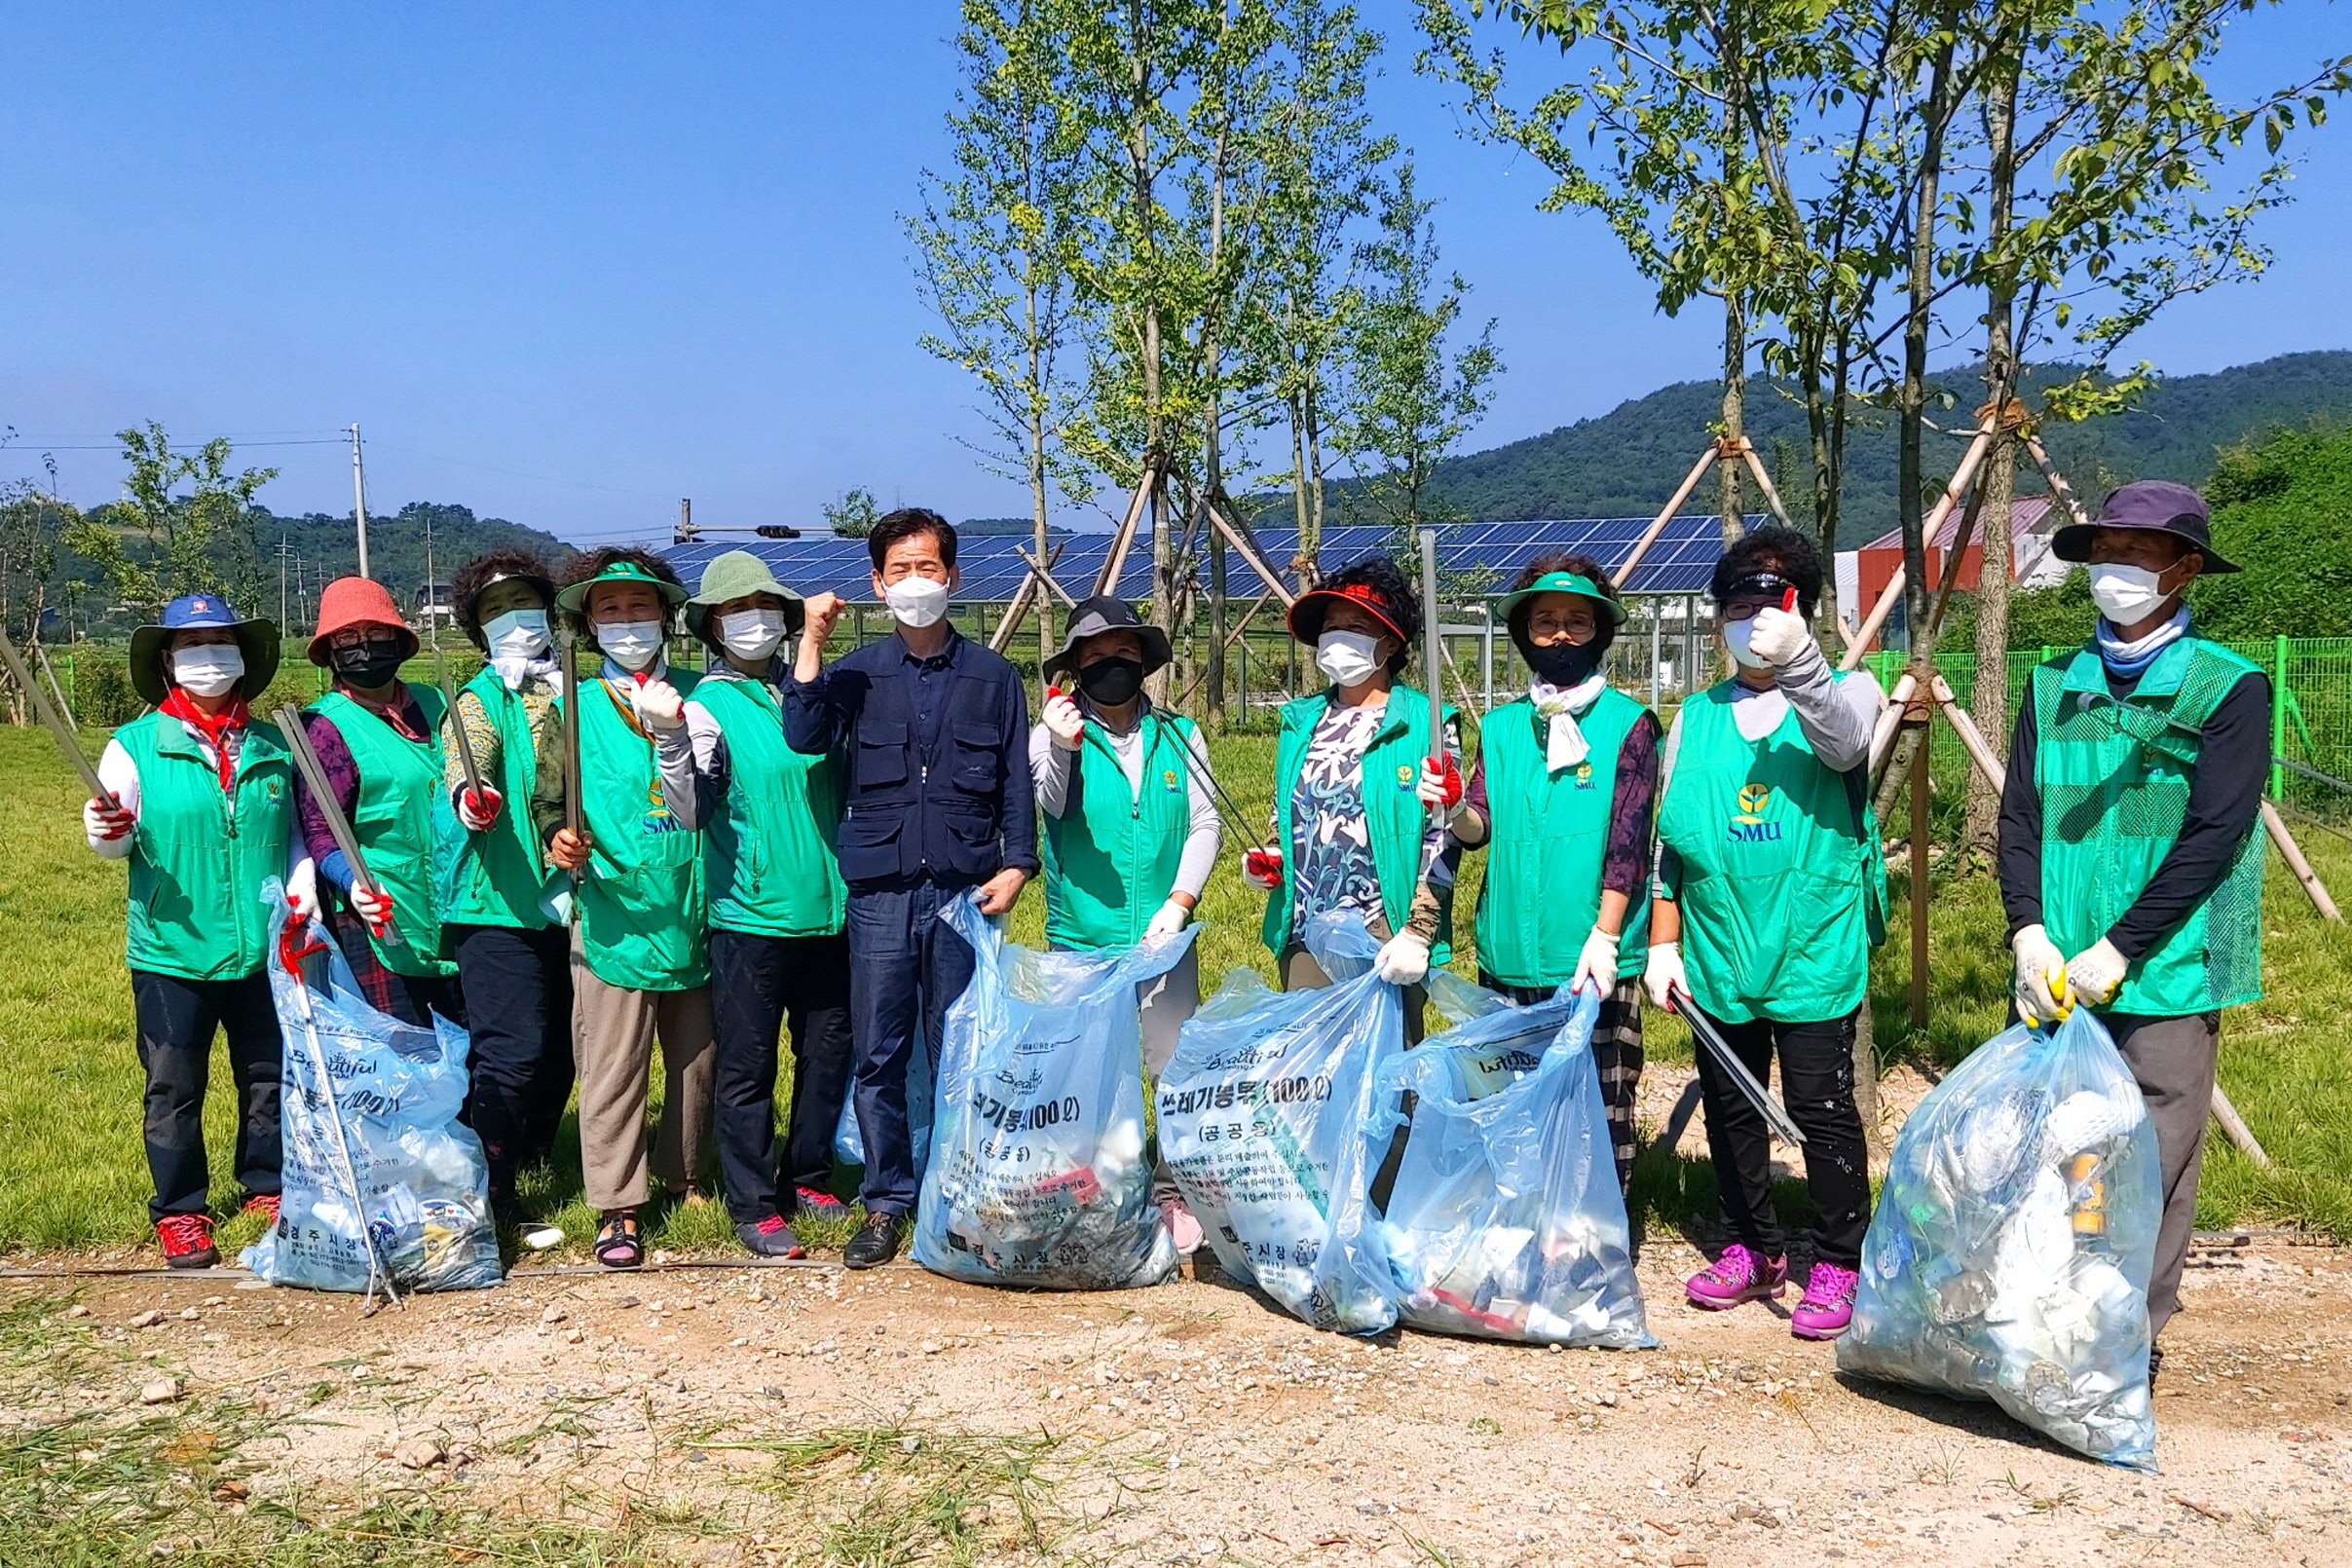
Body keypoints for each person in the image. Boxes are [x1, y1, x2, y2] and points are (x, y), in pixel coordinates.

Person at [1997, 479, 2267, 1376]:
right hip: (2056, 970)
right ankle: (2049, 1316)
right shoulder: (2052, 686)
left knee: (2149, 1161)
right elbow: (2021, 820)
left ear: (2185, 570)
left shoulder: (2226, 688)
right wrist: (2027, 929)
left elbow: (2212, 836)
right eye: (2106, 553)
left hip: (2166, 969)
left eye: (2139, 555)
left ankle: (2121, 1343)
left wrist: (2121, 946)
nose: (2115, 571)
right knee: (2058, 1150)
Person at [1646, 526, 1886, 1340]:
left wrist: (1802, 664)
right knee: (1729, 1108)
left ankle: (1837, 1259)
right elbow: (1670, 842)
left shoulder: (1849, 689)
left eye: (1771, 603)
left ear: (1803, 611)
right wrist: (1660, 943)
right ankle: (1753, 1247)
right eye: (1737, 604)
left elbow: (1846, 747)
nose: (1752, 619)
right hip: (1715, 943)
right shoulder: (1694, 718)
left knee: (1821, 1107)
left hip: (1809, 939)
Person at [783, 507, 1037, 1269]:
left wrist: (1018, 864)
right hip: (882, 892)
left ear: (952, 576)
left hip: (963, 888)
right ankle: (887, 1200)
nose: (915, 582)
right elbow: (801, 735)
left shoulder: (993, 676)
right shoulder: (858, 671)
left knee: (960, 1049)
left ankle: (957, 1194)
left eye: (928, 568)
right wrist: (812, 643)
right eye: (900, 571)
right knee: (880, 1053)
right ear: (877, 582)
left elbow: (1011, 781)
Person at [85, 592, 306, 1266]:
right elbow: (112, 841)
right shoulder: (134, 746)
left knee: (268, 1076)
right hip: (171, 950)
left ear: (242, 656)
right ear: (168, 661)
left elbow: (294, 836)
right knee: (173, 1086)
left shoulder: (274, 745)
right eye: (190, 646)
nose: (207, 657)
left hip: (262, 947)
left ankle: (265, 1186)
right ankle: (180, 1209)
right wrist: (105, 832)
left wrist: (301, 898)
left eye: (219, 642)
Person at [531, 548, 716, 1270]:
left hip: (691, 897)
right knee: (612, 1062)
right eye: (610, 610)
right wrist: (559, 837)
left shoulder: (701, 696)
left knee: (699, 1058)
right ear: (587, 623)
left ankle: (687, 1174)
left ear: (665, 617)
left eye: (639, 608)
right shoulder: (570, 708)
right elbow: (550, 796)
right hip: (612, 900)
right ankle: (617, 1203)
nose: (627, 622)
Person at [1450, 554, 1659, 1192]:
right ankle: (1525, 1229)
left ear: (1599, 630)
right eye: (1544, 622)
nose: (1561, 635)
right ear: (1523, 635)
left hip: (1590, 953)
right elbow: (1479, 824)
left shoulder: (1629, 724)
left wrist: (1605, 932)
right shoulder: (1505, 726)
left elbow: (1629, 837)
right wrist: (1451, 806)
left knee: (1600, 1104)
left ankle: (1598, 1241)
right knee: (1514, 1104)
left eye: (1576, 620)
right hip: (1508, 946)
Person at [670, 550, 854, 1259]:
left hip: (832, 906)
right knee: (747, 1065)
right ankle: (750, 1201)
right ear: (713, 627)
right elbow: (692, 804)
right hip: (750, 912)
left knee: (827, 1053)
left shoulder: (811, 690)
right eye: (733, 610)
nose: (753, 621)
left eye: (765, 607)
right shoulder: (706, 709)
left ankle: (807, 1177)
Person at [1031, 594, 1220, 1252]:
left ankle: (1170, 1191)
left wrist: (1179, 903)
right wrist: (1060, 747)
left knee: (1171, 1064)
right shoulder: (1054, 733)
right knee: (1087, 1072)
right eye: (1096, 656)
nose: (1111, 664)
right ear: (1075, 666)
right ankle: (1094, 1189)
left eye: (1123, 654)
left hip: (1163, 938)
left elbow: (1204, 822)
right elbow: (1050, 806)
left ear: (1142, 661)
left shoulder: (1179, 735)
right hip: (1084, 934)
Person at [1246, 554, 1464, 1036]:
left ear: (1388, 641)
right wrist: (1271, 856)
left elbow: (1442, 835)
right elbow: (1287, 807)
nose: (1338, 637)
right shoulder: (1300, 723)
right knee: (1312, 1074)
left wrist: (1418, 932)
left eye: (1355, 625)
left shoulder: (1425, 724)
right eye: (1331, 626)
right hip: (1305, 927)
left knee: (1386, 1075)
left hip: (1386, 933)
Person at [438, 547, 574, 1227]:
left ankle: (531, 1155)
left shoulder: (582, 688)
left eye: (523, 603)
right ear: (477, 628)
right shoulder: (477, 699)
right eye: (494, 610)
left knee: (562, 1050)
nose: (513, 618)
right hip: (498, 899)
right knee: (511, 1051)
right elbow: (469, 753)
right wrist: (473, 795)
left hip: (581, 898)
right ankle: (488, 1191)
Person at [295, 577, 462, 1027]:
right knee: (406, 1055)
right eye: (347, 637)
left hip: (462, 901)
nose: (363, 646)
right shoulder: (323, 729)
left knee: (480, 1057)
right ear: (330, 649)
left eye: (375, 633)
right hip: (380, 913)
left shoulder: (438, 704)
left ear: (397, 639)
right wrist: (352, 882)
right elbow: (320, 830)